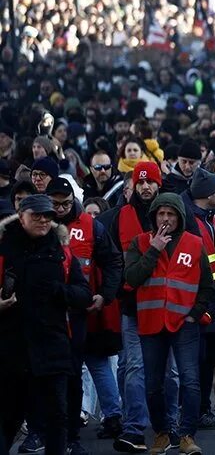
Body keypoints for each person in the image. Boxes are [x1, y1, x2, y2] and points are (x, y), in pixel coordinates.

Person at [123, 193, 215, 455]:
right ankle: (162, 433)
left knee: (189, 380)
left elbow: (207, 287)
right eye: (161, 214)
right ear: (154, 216)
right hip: (151, 322)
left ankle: (186, 435)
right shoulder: (140, 243)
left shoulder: (195, 244)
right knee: (153, 384)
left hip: (184, 323)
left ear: (179, 218)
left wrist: (194, 314)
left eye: (171, 214)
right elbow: (131, 278)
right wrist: (154, 249)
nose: (165, 218)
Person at [0, 195, 92, 455]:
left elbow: (83, 294)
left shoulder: (62, 251)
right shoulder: (4, 249)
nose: (43, 220)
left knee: (56, 420)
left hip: (52, 348)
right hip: (11, 350)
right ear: (21, 216)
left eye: (48, 215)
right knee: (8, 418)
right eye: (37, 215)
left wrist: (60, 292)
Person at [99, 161, 178, 453]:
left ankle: (168, 425)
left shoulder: (174, 214)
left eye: (150, 182)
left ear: (159, 184)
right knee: (134, 367)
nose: (146, 187)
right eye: (141, 182)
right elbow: (109, 258)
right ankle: (134, 429)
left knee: (169, 373)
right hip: (133, 306)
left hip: (167, 307)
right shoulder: (118, 217)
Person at [48, 177, 125, 448]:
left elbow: (114, 261)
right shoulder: (38, 226)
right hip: (48, 314)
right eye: (55, 204)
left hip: (84, 312)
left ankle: (102, 420)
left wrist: (105, 294)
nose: (60, 209)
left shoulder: (92, 226)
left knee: (90, 365)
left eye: (65, 204)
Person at [182, 168, 215, 431]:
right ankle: (194, 412)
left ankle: (202, 409)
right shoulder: (189, 221)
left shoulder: (212, 220)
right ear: (206, 194)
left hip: (212, 300)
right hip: (195, 300)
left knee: (208, 358)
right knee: (195, 361)